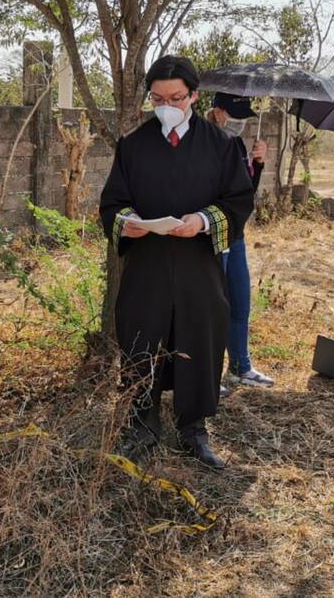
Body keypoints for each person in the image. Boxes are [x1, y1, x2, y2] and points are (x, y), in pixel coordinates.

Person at [99, 55, 255, 469]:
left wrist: (202, 221)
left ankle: (194, 429)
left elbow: (239, 202)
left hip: (197, 265)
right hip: (146, 264)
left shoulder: (221, 145)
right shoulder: (133, 146)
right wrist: (126, 223)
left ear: (194, 96)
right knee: (140, 338)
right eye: (158, 99)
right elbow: (112, 203)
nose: (167, 106)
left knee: (198, 339)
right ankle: (141, 424)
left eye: (176, 98)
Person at [206, 92, 275, 393]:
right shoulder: (202, 141)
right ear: (218, 112)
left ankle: (239, 367)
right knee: (212, 306)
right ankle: (206, 372)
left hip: (236, 235)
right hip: (211, 234)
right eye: (235, 115)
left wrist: (257, 164)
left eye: (244, 116)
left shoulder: (235, 143)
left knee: (239, 301)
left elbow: (245, 193)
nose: (241, 122)